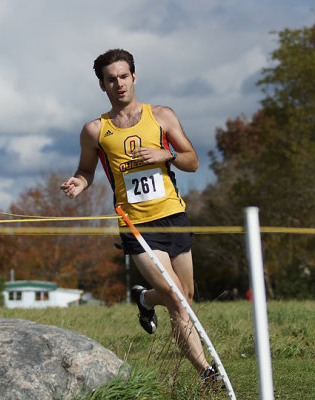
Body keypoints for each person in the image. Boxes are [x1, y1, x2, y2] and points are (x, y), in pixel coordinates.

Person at [60, 49, 218, 384]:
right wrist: (79, 183)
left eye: (123, 76)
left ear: (134, 77)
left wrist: (167, 155)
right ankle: (206, 372)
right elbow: (86, 171)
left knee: (186, 297)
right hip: (136, 225)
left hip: (174, 216)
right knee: (177, 301)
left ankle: (143, 298)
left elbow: (193, 161)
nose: (118, 84)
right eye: (110, 79)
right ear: (102, 86)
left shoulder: (161, 116)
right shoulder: (94, 131)